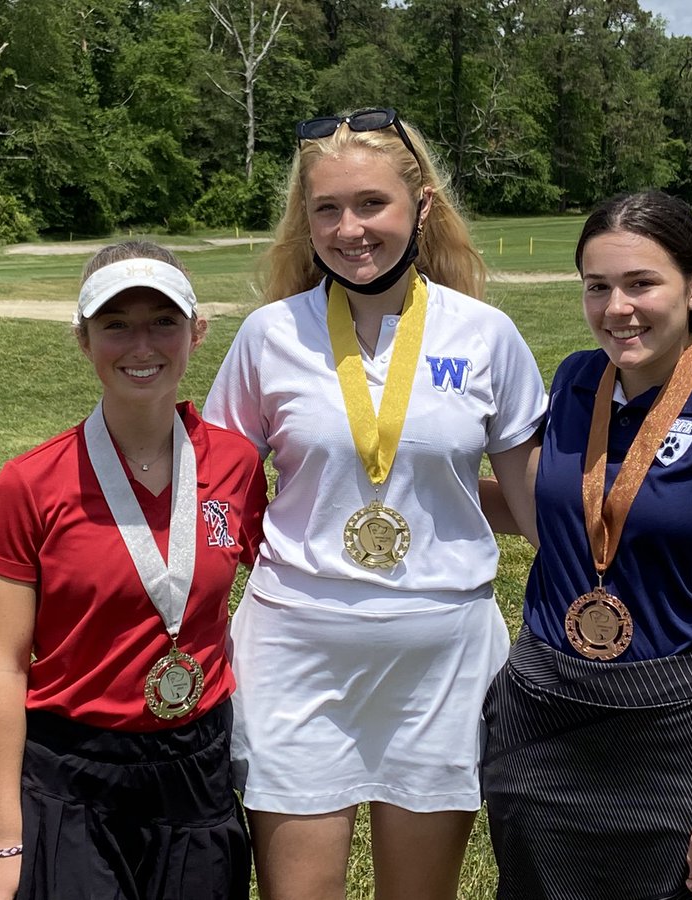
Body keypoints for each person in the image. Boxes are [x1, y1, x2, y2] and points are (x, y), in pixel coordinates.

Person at [203, 108, 546, 900]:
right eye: (327, 209)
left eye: (371, 204)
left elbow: (535, 510)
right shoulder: (268, 336)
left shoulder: (487, 337)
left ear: (421, 206)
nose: (350, 229)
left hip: (441, 660)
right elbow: (220, 493)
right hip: (296, 649)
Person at [479, 190, 692, 900]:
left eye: (641, 283)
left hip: (673, 736)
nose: (616, 307)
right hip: (543, 720)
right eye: (597, 286)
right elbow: (554, 509)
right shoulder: (576, 381)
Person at [0, 241, 267, 900]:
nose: (141, 345)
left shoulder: (236, 465)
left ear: (197, 332)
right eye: (115, 324)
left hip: (196, 767)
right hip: (74, 772)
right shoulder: (31, 484)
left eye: (162, 322)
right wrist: (1, 837)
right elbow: (2, 666)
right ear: (83, 337)